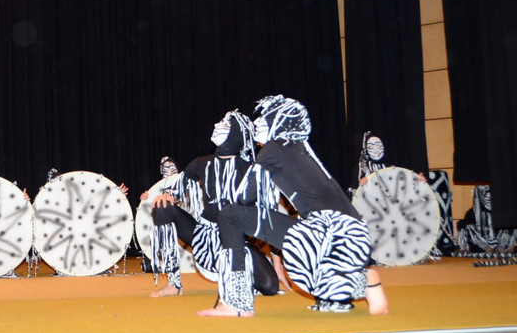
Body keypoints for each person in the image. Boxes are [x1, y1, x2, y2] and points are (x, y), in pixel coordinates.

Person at [198, 95, 389, 317]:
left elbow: (245, 197)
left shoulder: (272, 149)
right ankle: (353, 290)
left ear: (280, 121)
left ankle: (235, 302)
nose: (256, 122)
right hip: (354, 234)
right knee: (308, 244)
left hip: (327, 231)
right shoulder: (299, 148)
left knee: (230, 215)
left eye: (264, 118)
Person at [148, 111, 279, 299]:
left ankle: (239, 274)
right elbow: (177, 188)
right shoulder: (201, 163)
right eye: (221, 120)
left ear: (238, 134)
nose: (218, 125)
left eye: (226, 123)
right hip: (203, 237)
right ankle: (174, 283)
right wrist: (168, 195)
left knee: (270, 286)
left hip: (235, 242)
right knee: (161, 206)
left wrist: (277, 265)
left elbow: (269, 218)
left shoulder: (253, 169)